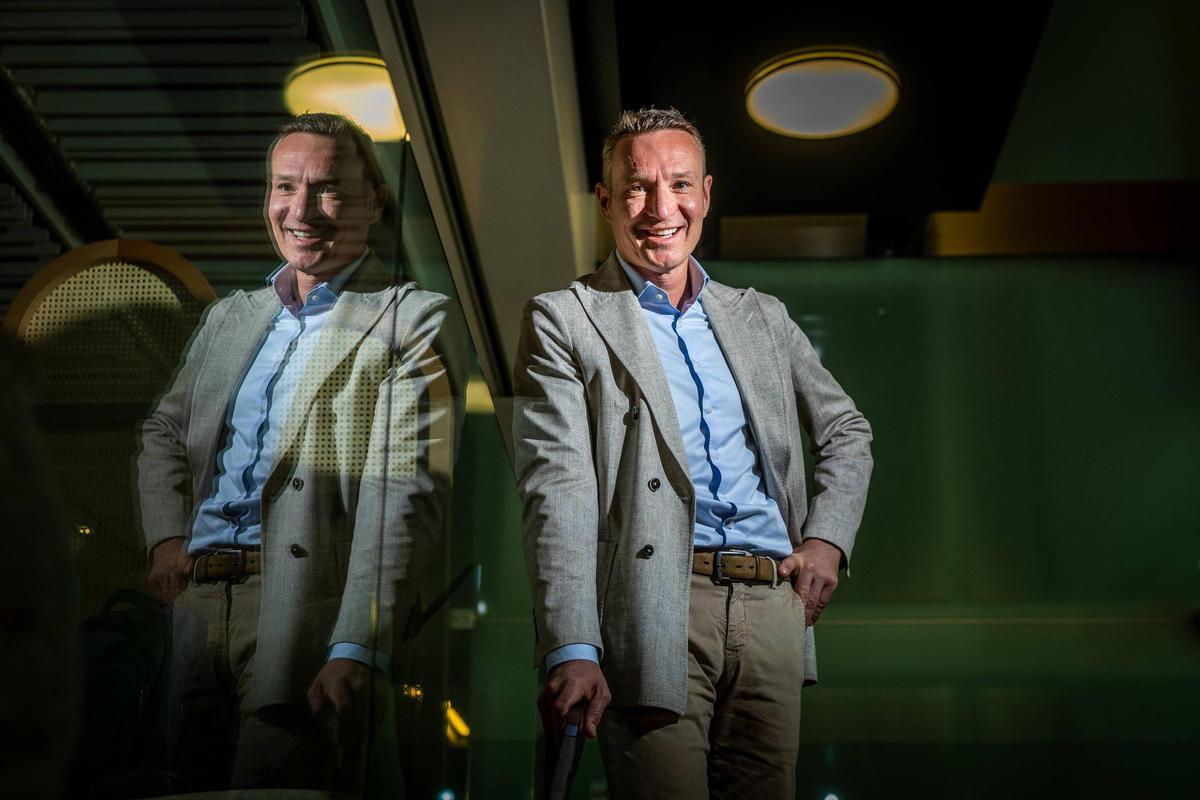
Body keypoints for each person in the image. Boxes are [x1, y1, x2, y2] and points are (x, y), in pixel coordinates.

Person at [513, 107, 873, 798]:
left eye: (679, 184)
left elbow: (846, 430)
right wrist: (573, 645)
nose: (660, 208)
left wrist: (827, 540)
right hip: (653, 609)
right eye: (638, 187)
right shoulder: (564, 318)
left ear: (705, 194)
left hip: (773, 610)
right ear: (605, 200)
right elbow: (557, 492)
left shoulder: (761, 315)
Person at [138, 112, 462, 792]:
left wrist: (359, 644)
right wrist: (166, 537)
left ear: (375, 202)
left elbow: (403, 498)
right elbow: (164, 433)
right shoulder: (230, 317)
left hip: (305, 613)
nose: (301, 209)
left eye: (328, 188)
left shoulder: (413, 318)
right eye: (285, 186)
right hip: (193, 608)